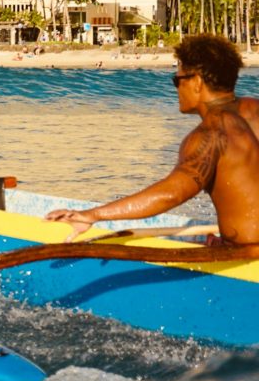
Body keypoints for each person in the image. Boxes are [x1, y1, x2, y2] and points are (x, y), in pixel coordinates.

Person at [46, 34, 259, 245]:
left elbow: (171, 194)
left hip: (249, 258)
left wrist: (92, 215)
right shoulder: (253, 110)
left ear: (196, 82)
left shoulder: (210, 134)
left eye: (177, 80)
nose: (176, 88)